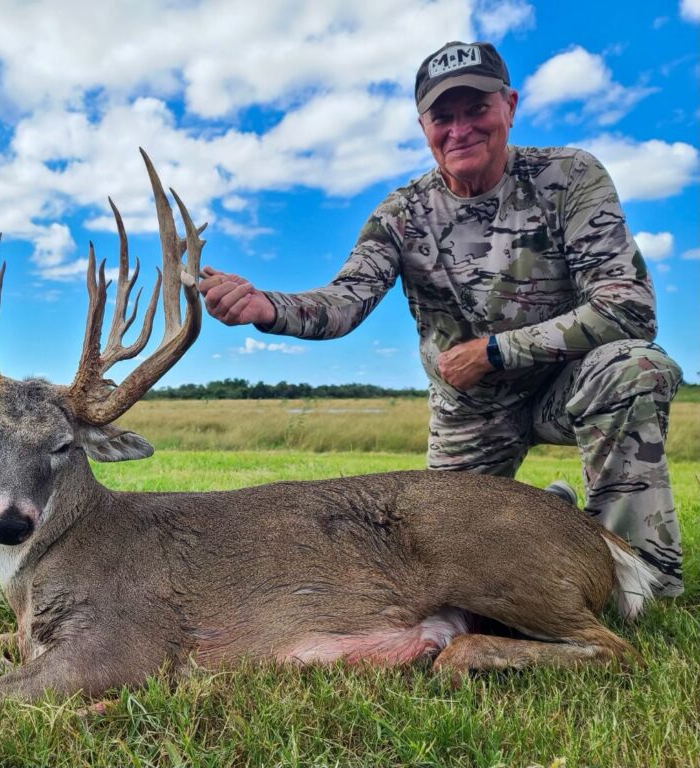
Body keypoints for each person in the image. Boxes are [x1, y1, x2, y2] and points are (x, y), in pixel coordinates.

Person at [199, 41, 684, 597]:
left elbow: (628, 306)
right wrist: (267, 307)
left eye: (476, 109)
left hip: (567, 384)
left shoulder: (570, 176)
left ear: (509, 106)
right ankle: (551, 512)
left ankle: (643, 583)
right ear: (423, 127)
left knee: (632, 368)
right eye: (442, 117)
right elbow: (346, 300)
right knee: (441, 559)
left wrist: (493, 352)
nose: (460, 130)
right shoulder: (401, 213)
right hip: (470, 412)